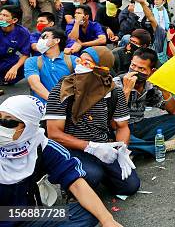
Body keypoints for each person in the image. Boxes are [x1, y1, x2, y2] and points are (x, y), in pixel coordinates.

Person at [0, 95, 124, 227]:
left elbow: (76, 183)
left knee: (89, 212)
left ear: (29, 125)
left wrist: (107, 220)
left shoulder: (41, 145)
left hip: (20, 214)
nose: (1, 126)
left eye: (9, 122)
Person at [44, 46, 140, 196]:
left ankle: (95, 175)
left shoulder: (114, 91)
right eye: (79, 60)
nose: (80, 65)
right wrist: (90, 147)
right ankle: (74, 181)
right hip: (72, 147)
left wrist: (122, 150)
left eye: (87, 63)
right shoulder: (64, 89)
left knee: (130, 186)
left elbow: (122, 127)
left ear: (102, 69)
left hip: (104, 145)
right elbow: (54, 134)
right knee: (92, 175)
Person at [113, 47, 175, 157]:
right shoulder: (117, 83)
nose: (135, 71)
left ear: (151, 71)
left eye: (142, 69)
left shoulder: (149, 86)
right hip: (119, 128)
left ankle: (135, 148)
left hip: (139, 126)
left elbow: (173, 111)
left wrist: (164, 90)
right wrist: (127, 90)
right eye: (133, 66)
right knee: (112, 137)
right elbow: (113, 122)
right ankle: (160, 147)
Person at [24, 26, 76, 103]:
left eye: (45, 37)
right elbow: (35, 84)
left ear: (57, 40)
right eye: (40, 38)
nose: (40, 40)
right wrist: (54, 102)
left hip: (69, 107)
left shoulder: (73, 60)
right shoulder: (32, 61)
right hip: (41, 108)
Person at [0, 6, 30, 90]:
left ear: (14, 20)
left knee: (28, 63)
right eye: (0, 14)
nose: (1, 17)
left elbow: (25, 54)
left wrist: (15, 68)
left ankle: (5, 80)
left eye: (5, 16)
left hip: (8, 59)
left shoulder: (23, 32)